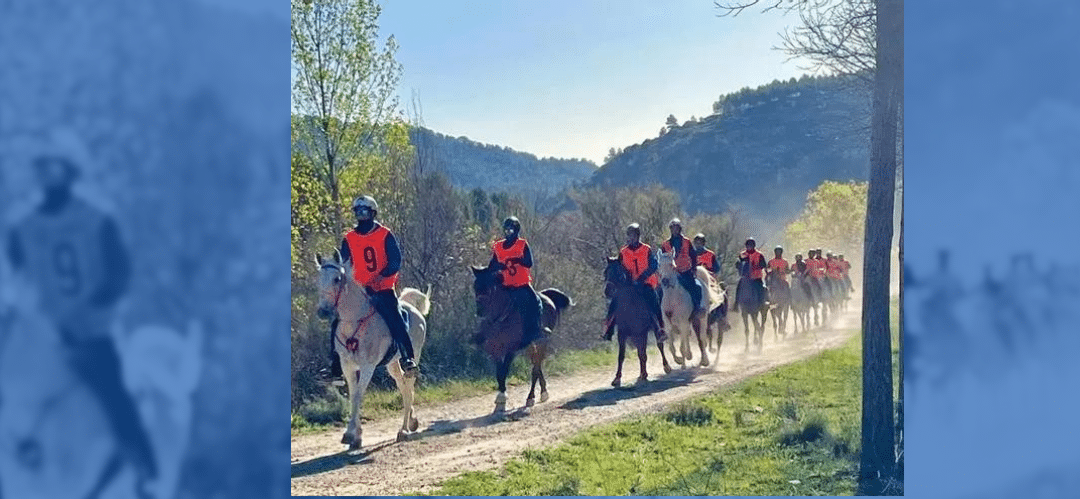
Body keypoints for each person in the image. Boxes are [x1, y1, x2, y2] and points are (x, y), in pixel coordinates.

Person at [4, 127, 157, 494]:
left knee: (112, 394)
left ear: (68, 170)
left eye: (51, 166)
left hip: (89, 332)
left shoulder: (96, 219)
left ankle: (144, 467)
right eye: (40, 167)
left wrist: (89, 308)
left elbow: (119, 274)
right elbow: (14, 275)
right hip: (43, 332)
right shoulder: (23, 225)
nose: (43, 173)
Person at [328, 195, 418, 382]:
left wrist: (381, 276)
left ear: (372, 213)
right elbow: (344, 264)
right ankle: (335, 366)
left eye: (364, 211)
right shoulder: (349, 238)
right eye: (357, 211)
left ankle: (407, 358)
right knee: (337, 320)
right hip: (359, 290)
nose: (360, 215)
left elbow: (395, 261)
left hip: (382, 288)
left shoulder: (385, 234)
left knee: (395, 317)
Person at [602, 223, 666, 343]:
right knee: (615, 302)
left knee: (654, 302)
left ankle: (660, 330)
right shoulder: (623, 251)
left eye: (634, 236)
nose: (631, 238)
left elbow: (653, 264)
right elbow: (620, 266)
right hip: (629, 284)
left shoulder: (646, 249)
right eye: (629, 236)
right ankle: (608, 330)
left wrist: (643, 276)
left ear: (638, 236)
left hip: (645, 284)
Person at [488, 216, 543, 348]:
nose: (508, 233)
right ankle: (487, 330)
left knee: (536, 302)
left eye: (510, 230)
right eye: (506, 230)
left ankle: (537, 330)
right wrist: (499, 267)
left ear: (516, 230)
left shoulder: (522, 244)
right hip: (506, 284)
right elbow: (492, 265)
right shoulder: (498, 246)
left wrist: (518, 260)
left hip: (522, 284)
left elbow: (529, 263)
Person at [660, 218, 703, 318]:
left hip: (685, 271)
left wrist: (693, 269)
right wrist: (663, 273)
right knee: (659, 290)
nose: (675, 230)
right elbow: (662, 260)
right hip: (670, 273)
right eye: (673, 228)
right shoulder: (665, 244)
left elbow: (693, 256)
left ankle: (697, 307)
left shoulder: (687, 242)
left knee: (697, 287)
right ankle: (662, 314)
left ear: (679, 229)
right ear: (670, 229)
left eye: (676, 228)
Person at [733, 237, 769, 312]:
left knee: (762, 288)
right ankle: (736, 304)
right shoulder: (742, 254)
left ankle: (764, 302)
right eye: (748, 245)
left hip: (756, 277)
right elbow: (737, 264)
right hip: (745, 277)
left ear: (754, 245)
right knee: (739, 287)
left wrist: (756, 266)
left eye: (751, 245)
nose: (749, 247)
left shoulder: (759, 255)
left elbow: (763, 265)